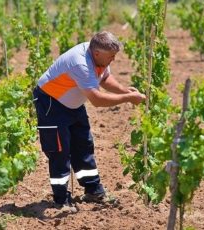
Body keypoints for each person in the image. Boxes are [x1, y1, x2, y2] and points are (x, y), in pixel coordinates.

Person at [32, 31, 146, 213]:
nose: (114, 60)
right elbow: (97, 100)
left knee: (83, 144)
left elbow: (105, 78)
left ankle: (93, 190)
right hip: (51, 102)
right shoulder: (81, 63)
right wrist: (128, 98)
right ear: (97, 53)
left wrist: (125, 90)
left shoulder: (99, 57)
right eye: (111, 56)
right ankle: (61, 200)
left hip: (73, 103)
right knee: (60, 151)